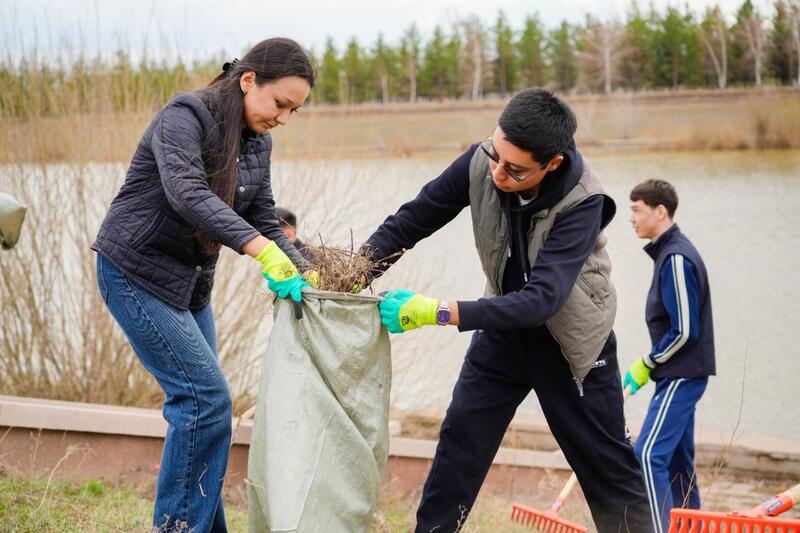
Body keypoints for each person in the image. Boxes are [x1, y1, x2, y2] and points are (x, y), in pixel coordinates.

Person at [363, 88, 652, 533]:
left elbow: (542, 301)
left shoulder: (584, 202)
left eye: (515, 169)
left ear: (551, 164)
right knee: (460, 444)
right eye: (496, 155)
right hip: (501, 332)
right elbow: (414, 218)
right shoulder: (483, 161)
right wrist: (350, 272)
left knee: (608, 470)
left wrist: (438, 311)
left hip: (571, 347)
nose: (497, 172)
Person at [92, 38, 314, 532]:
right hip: (135, 271)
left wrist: (306, 271)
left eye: (294, 111)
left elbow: (264, 216)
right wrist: (262, 251)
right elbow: (187, 193)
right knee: (204, 401)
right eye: (280, 104)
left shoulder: (259, 141)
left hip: (190, 285)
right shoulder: (185, 116)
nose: (284, 118)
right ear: (249, 80)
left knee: (208, 409)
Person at [625, 179, 715, 533]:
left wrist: (648, 363)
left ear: (660, 211)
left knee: (648, 455)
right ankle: (691, 528)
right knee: (677, 462)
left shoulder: (676, 258)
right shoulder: (668, 254)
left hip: (682, 375)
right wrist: (650, 364)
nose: (631, 218)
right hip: (676, 374)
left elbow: (685, 330)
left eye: (637, 210)